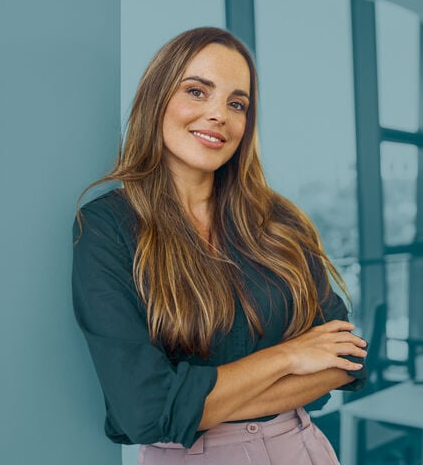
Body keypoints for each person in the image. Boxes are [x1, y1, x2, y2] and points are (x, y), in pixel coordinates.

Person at [71, 26, 367, 464]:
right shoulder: (106, 227)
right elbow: (146, 411)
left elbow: (345, 359)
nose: (219, 115)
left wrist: (195, 403)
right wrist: (290, 356)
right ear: (157, 99)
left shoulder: (278, 221)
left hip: (301, 449)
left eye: (236, 103)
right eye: (196, 91)